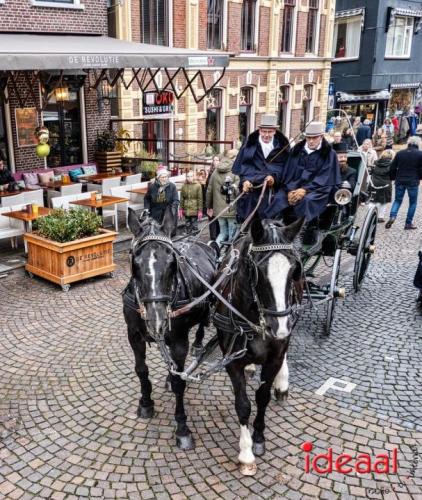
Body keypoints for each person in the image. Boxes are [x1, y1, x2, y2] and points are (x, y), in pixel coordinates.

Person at [277, 121, 341, 223]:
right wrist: (290, 191)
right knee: (278, 198)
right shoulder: (297, 150)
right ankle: (275, 232)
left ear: (321, 136)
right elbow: (288, 173)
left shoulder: (328, 153)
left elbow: (325, 177)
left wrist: (305, 190)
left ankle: (301, 232)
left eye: (314, 138)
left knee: (306, 201)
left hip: (317, 189)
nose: (311, 141)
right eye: (308, 138)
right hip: (294, 187)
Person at [232, 114, 289, 221]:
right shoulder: (249, 144)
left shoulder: (283, 146)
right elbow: (244, 167)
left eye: (270, 132)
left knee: (280, 202)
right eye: (264, 131)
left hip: (273, 188)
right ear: (260, 130)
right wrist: (245, 181)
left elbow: (285, 168)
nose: (266, 135)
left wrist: (274, 178)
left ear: (275, 131)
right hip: (253, 185)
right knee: (247, 203)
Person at [385, 136, 422, 230]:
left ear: (408, 143)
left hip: (400, 180)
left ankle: (392, 216)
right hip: (413, 180)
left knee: (397, 200)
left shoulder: (400, 153)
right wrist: (420, 177)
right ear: (418, 144)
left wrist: (393, 178)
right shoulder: (420, 154)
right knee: (413, 202)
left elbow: (392, 167)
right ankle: (408, 223)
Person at [206, 154, 239, 247]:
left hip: (219, 210)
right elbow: (238, 192)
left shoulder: (215, 171)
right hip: (231, 209)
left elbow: (209, 191)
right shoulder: (236, 171)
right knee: (232, 236)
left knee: (222, 233)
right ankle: (227, 256)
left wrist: (209, 206)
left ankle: (214, 251)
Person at [370, 149, 394, 223]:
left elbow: (371, 172)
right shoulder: (392, 164)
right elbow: (393, 176)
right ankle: (380, 217)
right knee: (384, 201)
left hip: (374, 183)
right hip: (386, 184)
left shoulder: (376, 163)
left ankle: (371, 214)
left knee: (373, 199)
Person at [179, 170, 203, 234]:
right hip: (186, 209)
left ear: (193, 177)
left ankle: (194, 238)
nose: (189, 178)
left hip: (194, 209)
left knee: (194, 225)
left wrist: (200, 210)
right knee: (187, 224)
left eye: (191, 176)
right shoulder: (184, 186)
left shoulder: (198, 185)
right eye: (188, 176)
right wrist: (180, 209)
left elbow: (200, 199)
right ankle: (187, 236)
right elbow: (182, 198)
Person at [205, 155, 221, 241]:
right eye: (214, 160)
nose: (215, 162)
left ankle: (218, 239)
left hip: (220, 202)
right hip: (212, 201)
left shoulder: (222, 173)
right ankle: (213, 239)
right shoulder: (211, 174)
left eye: (217, 160)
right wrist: (209, 206)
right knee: (212, 221)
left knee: (219, 222)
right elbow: (208, 190)